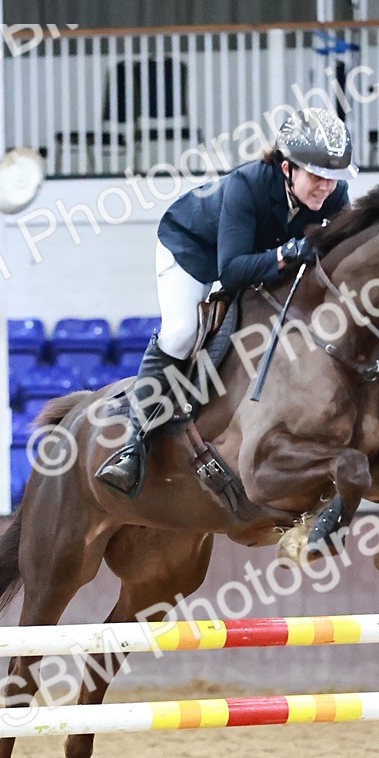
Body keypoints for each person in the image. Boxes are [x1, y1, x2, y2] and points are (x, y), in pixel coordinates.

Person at [96, 107, 357, 498]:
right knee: (182, 333)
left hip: (254, 253)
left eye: (333, 178)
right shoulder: (247, 186)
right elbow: (232, 271)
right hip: (192, 251)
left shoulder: (335, 197)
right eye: (317, 176)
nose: (326, 187)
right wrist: (287, 254)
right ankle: (132, 441)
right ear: (287, 169)